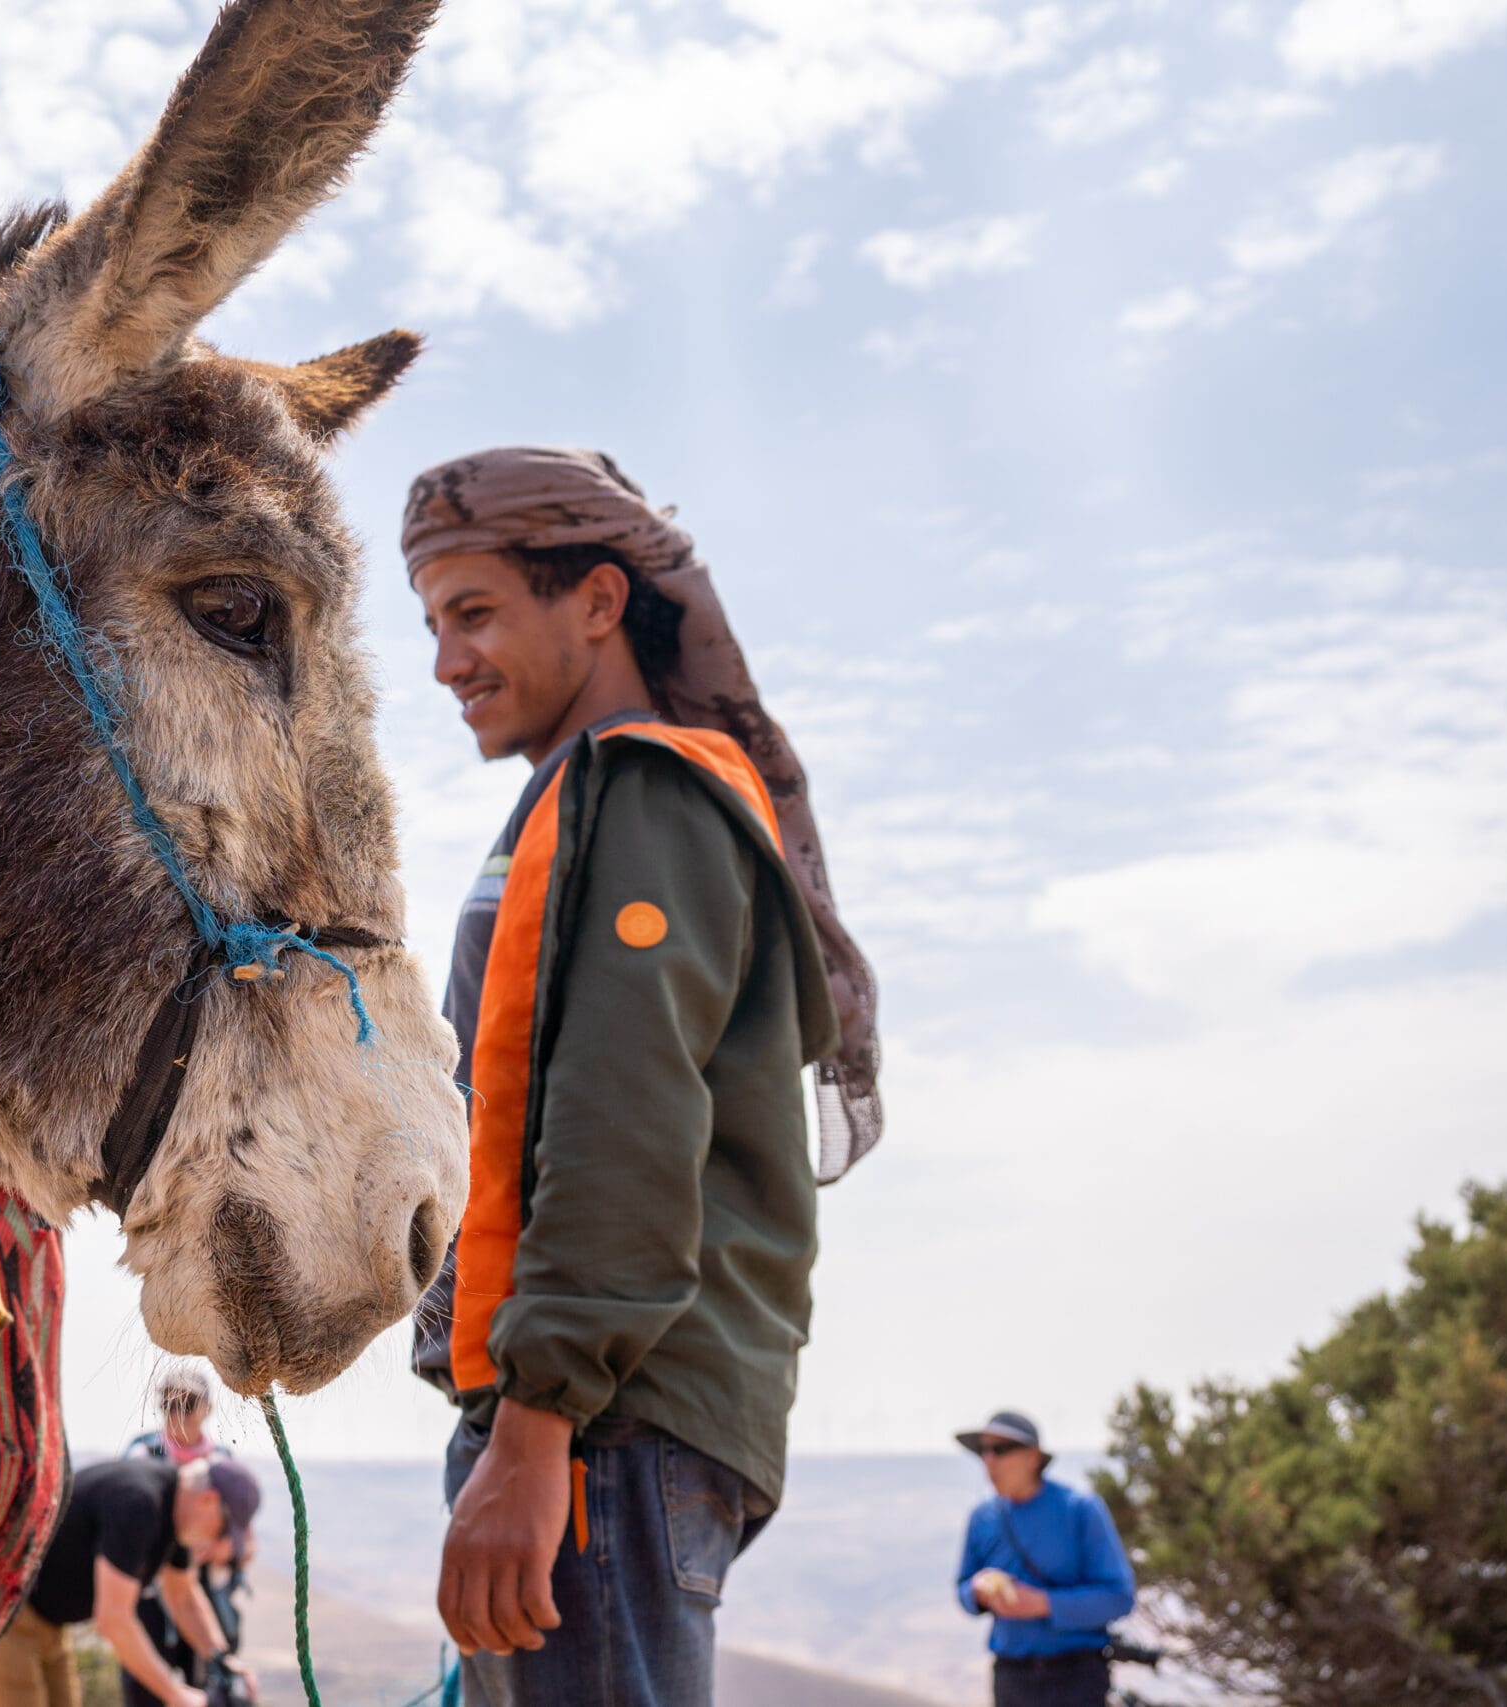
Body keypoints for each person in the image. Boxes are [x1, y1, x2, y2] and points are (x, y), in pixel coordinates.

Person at [403, 446, 884, 1707]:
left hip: (602, 1424)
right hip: (587, 1418)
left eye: (475, 613)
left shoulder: (645, 791)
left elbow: (627, 1118)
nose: (446, 661)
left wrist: (537, 1422)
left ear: (599, 604)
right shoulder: (582, 795)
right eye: (433, 624)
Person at [0, 1453, 259, 1707]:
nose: (216, 1542)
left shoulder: (174, 1513)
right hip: (3, 1613)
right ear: (208, 1500)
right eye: (222, 1531)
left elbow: (183, 1595)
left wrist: (222, 1658)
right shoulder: (140, 1503)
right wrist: (177, 1696)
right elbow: (114, 1620)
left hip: (47, 1623)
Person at [953, 1411, 1137, 1707]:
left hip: (1076, 1677)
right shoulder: (982, 1518)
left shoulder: (1080, 1509)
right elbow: (962, 1590)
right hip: (1011, 1678)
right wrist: (977, 1592)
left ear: (1033, 1458)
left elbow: (1119, 1597)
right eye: (983, 1451)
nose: (989, 1461)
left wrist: (1043, 1604)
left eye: (1000, 1449)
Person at [121, 1366, 248, 1707]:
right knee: (145, 1691)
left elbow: (244, 1543)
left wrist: (220, 1549)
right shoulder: (142, 1455)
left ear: (208, 1407)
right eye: (169, 1404)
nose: (178, 1414)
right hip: (148, 1598)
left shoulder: (224, 1462)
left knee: (214, 1690)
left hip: (209, 1590)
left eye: (188, 1403)